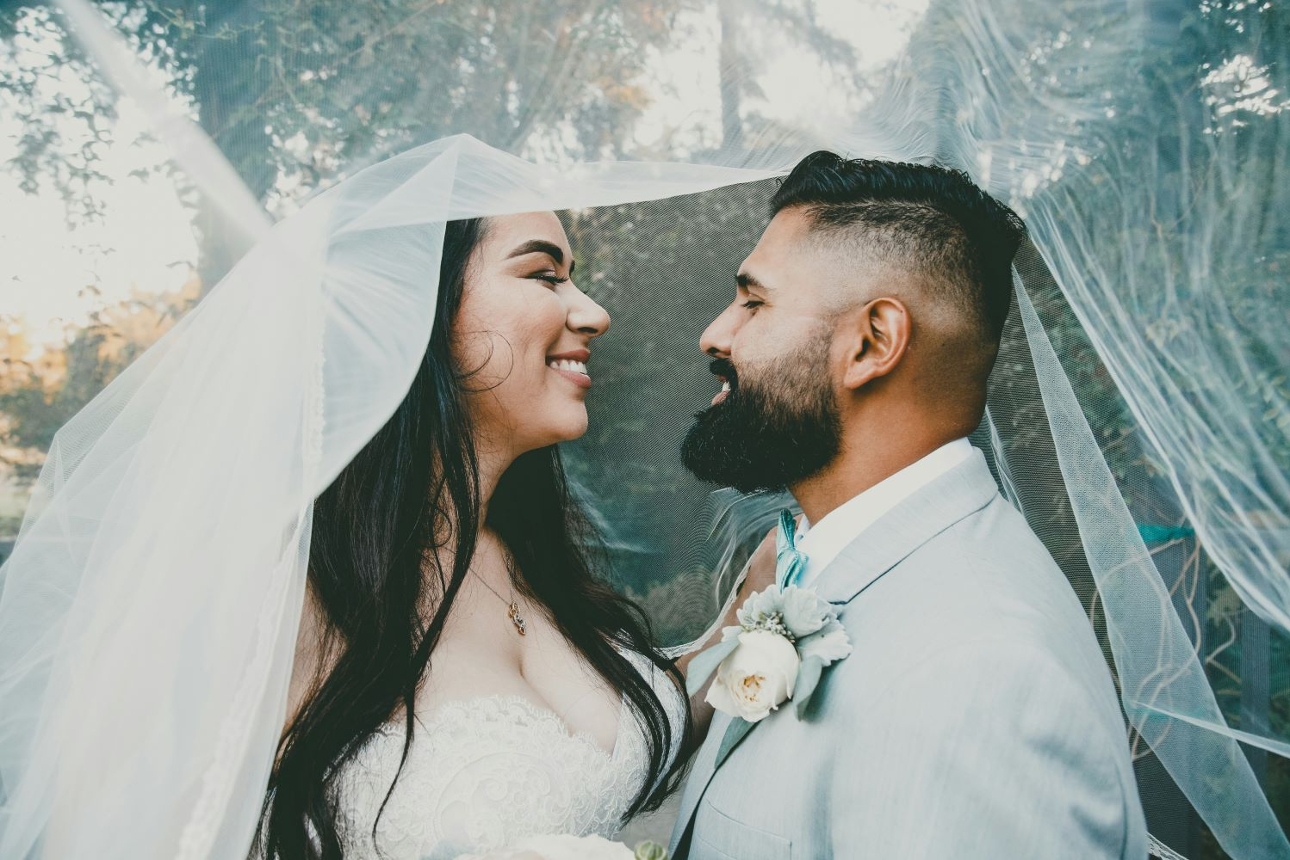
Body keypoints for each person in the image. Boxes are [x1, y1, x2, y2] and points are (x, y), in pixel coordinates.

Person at [672, 152, 1148, 859]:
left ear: (872, 342)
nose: (716, 333)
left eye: (753, 301)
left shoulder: (981, 681)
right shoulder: (818, 571)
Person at [256, 211, 693, 859]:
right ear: (414, 309)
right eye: (546, 275)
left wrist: (755, 621)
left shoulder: (527, 557)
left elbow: (604, 747)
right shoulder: (277, 590)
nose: (594, 313)